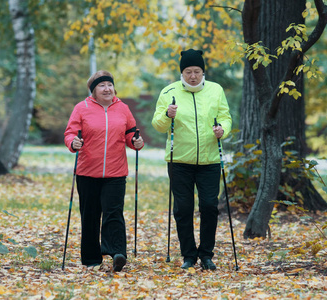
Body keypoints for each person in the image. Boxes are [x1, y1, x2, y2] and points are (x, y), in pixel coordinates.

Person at [152, 49, 232, 270]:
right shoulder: (169, 92)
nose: (193, 76)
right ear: (182, 72)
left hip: (210, 160)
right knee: (183, 208)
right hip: (179, 161)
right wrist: (167, 115)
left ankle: (206, 254)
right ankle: (189, 255)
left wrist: (222, 130)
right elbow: (157, 124)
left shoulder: (216, 90)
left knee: (209, 206)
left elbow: (225, 116)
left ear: (203, 72)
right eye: (188, 71)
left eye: (197, 71)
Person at [64, 70, 144, 272]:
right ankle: (91, 258)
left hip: (116, 172)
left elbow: (131, 134)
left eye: (109, 84)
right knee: (90, 215)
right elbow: (70, 133)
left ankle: (117, 253)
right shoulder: (81, 108)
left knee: (114, 213)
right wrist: (73, 142)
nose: (107, 88)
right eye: (102, 85)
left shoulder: (123, 108)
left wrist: (136, 142)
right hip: (87, 171)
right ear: (93, 90)